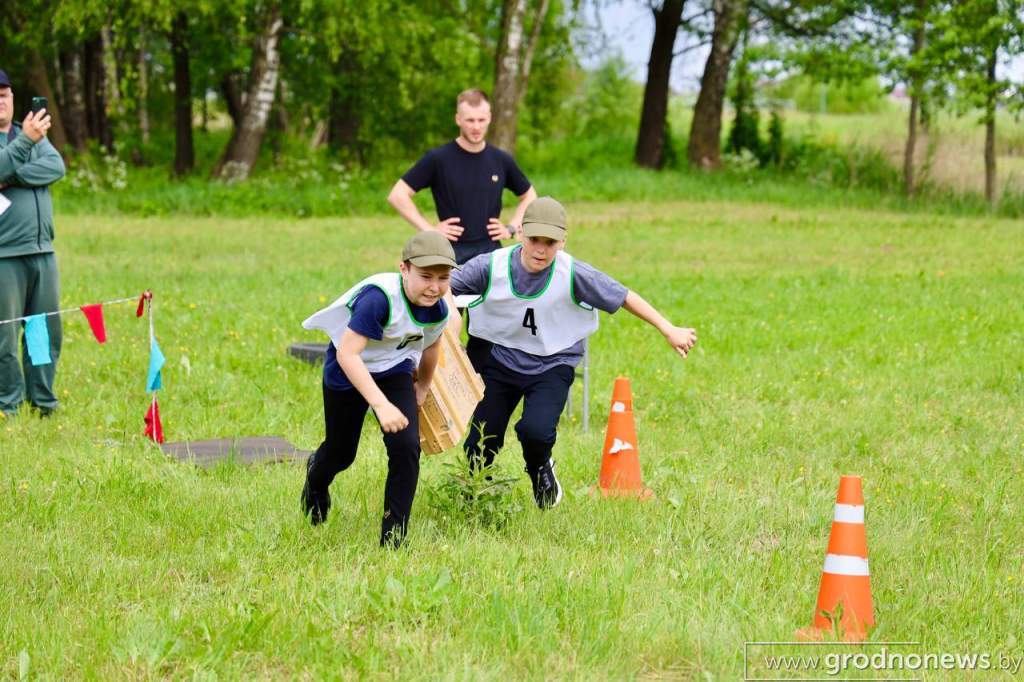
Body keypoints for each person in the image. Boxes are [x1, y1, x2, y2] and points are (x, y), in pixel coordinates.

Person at [449, 197, 698, 508]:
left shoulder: (575, 273)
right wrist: (447, 325)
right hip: (501, 360)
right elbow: (444, 287)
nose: (541, 249)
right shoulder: (490, 265)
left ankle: (541, 468)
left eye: (550, 242)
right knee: (481, 440)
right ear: (521, 234)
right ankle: (477, 497)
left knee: (535, 432)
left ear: (563, 242)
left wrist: (668, 328)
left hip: (553, 363)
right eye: (535, 240)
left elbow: (623, 296)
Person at [300, 231, 457, 547]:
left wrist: (424, 385)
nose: (435, 286)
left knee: (406, 448)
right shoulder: (379, 300)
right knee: (341, 453)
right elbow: (347, 354)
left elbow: (431, 346)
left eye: (443, 278)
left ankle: (394, 536)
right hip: (348, 371)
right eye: (426, 276)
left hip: (394, 369)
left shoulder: (438, 309)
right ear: (404, 269)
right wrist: (381, 405)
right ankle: (316, 478)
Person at [387, 88, 537, 371]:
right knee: (445, 325)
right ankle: (437, 382)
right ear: (458, 119)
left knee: (488, 333)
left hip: (491, 254)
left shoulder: (500, 160)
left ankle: (480, 391)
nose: (476, 127)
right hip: (449, 256)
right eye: (470, 120)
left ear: (490, 118)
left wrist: (511, 226)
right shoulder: (439, 158)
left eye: (481, 120)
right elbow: (397, 195)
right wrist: (430, 230)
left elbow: (529, 195)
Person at [0, 68, 65, 417]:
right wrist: (25, 143)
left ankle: (42, 401)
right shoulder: (29, 137)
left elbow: (56, 168)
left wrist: (12, 176)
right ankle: (6, 405)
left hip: (42, 252)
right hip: (4, 256)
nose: (1, 100)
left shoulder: (33, 135)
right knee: (5, 336)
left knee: (43, 330)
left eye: (5, 94)